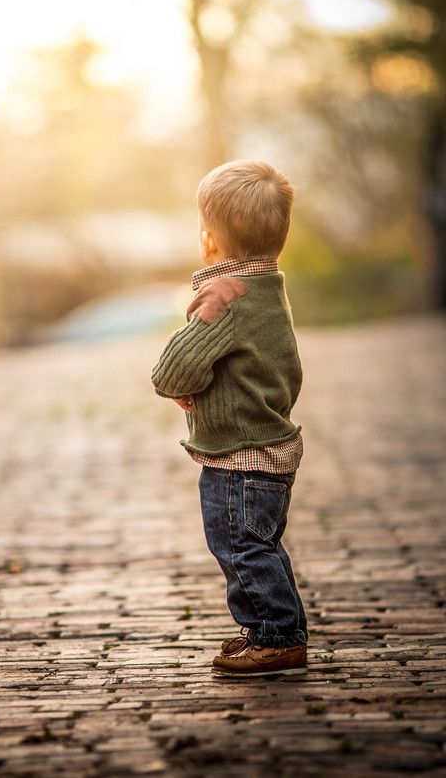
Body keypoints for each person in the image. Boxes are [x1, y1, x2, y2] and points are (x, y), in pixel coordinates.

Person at [151, 160, 308, 678]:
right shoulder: (269, 289)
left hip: (239, 455)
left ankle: (279, 634)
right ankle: (266, 627)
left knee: (239, 545)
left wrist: (178, 383)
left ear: (209, 240)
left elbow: (176, 368)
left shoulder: (226, 296)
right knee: (259, 543)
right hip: (267, 449)